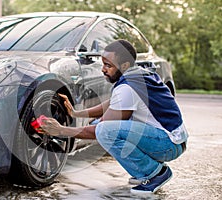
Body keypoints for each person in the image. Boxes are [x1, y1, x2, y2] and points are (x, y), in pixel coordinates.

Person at [36, 39, 188, 194]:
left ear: (124, 66)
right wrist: (76, 113)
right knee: (106, 126)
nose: (103, 69)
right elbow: (110, 104)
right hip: (172, 140)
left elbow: (99, 130)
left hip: (167, 144)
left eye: (108, 65)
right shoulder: (136, 75)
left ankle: (155, 174)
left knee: (104, 130)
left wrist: (61, 130)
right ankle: (148, 170)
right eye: (103, 64)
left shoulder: (127, 88)